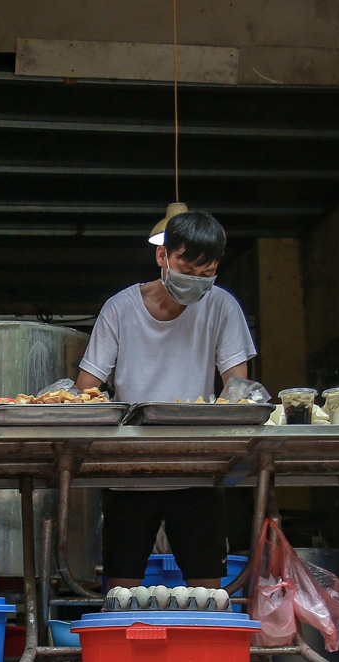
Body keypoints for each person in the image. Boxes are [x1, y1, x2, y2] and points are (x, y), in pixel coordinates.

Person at [74, 211, 257, 592]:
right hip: (128, 472)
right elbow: (87, 389)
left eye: (207, 274)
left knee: (208, 595)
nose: (197, 282)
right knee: (121, 595)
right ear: (163, 257)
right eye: (188, 269)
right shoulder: (120, 309)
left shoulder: (222, 307)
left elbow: (237, 386)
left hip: (196, 467)